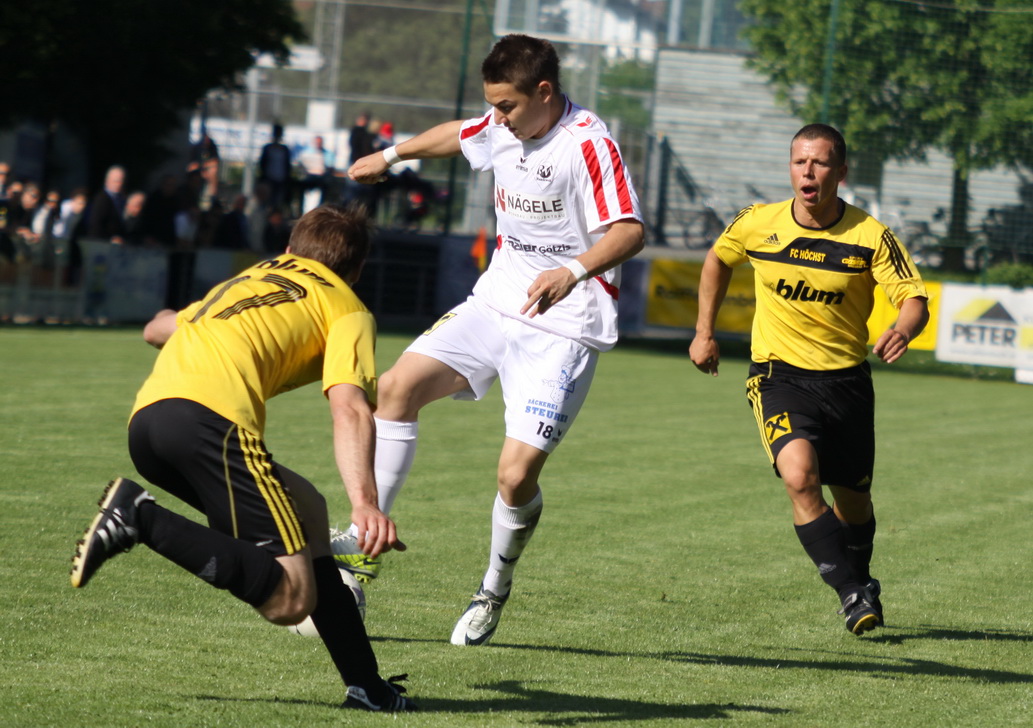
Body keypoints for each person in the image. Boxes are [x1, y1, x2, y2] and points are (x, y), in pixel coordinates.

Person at [347, 34, 645, 646]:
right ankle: (358, 564)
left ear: (544, 92)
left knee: (514, 477)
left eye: (507, 105)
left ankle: (493, 588)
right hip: (496, 303)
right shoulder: (504, 125)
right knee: (395, 389)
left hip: (565, 325)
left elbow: (630, 231)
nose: (498, 118)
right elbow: (460, 134)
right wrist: (391, 155)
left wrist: (572, 271)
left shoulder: (588, 144)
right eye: (493, 105)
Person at [69, 203, 417, 712]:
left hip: (148, 424)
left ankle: (368, 687)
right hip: (211, 425)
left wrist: (182, 319)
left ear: (290, 250)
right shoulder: (347, 306)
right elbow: (350, 407)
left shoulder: (251, 279)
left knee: (308, 510)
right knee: (291, 599)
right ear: (357, 270)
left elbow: (155, 329)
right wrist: (365, 503)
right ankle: (139, 519)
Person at [687, 123, 930, 636]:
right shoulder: (758, 222)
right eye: (800, 162)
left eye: (820, 163)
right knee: (799, 477)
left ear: (841, 172)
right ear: (790, 168)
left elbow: (914, 297)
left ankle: (860, 578)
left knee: (854, 504)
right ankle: (850, 593)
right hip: (778, 377)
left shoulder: (871, 236)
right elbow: (717, 259)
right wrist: (704, 331)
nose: (808, 171)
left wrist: (903, 329)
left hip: (846, 385)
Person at [87, 165, 128, 243]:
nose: (119, 184)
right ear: (107, 181)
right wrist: (109, 239)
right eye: (116, 181)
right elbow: (95, 225)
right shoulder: (101, 199)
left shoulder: (121, 199)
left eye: (121, 181)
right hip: (102, 243)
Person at [258, 123, 293, 210]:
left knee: (277, 203)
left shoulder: (284, 149)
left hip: (280, 181)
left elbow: (287, 166)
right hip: (268, 180)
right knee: (266, 203)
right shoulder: (268, 148)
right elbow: (262, 164)